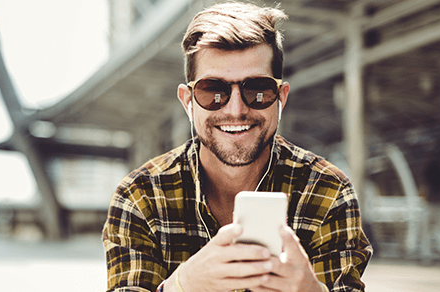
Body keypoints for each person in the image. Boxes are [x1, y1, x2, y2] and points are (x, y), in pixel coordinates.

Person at [102, 2, 373, 291]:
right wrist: (183, 286)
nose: (235, 109)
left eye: (257, 90)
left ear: (280, 97)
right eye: (213, 91)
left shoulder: (328, 192)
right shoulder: (140, 196)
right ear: (187, 101)